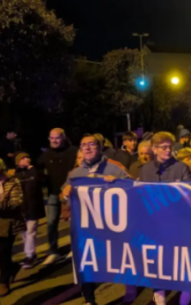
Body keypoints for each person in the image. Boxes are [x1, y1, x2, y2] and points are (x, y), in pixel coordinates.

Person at [59, 134, 132, 305]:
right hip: (86, 228)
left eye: (92, 144)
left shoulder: (114, 168)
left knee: (121, 260)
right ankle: (89, 300)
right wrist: (65, 194)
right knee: (86, 262)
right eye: (84, 145)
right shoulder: (75, 174)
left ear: (99, 148)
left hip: (113, 226)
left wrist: (117, 182)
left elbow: (132, 187)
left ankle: (130, 291)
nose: (87, 148)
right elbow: (64, 197)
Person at [139, 132, 191, 305]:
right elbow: (138, 195)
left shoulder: (182, 167)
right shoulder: (146, 170)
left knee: (181, 258)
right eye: (164, 147)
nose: (168, 150)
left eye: (170, 146)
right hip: (155, 225)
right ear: (154, 149)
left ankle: (186, 289)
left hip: (179, 224)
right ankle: (159, 292)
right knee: (158, 260)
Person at [37, 128, 78, 266]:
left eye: (57, 138)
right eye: (52, 138)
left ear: (63, 137)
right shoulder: (46, 154)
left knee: (73, 223)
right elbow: (37, 168)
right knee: (51, 223)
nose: (54, 141)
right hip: (53, 192)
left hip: (70, 192)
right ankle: (53, 251)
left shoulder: (73, 151)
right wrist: (43, 180)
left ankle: (74, 248)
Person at [13, 153, 44, 269]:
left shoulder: (34, 171)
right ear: (18, 161)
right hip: (21, 207)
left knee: (31, 231)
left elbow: (40, 181)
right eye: (23, 158)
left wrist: (33, 170)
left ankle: (30, 255)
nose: (27, 159)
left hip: (32, 206)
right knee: (24, 232)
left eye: (28, 157)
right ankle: (30, 254)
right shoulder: (16, 174)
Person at [0, 170, 24, 297]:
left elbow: (17, 202)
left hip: (7, 224)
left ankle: (3, 282)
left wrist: (1, 204)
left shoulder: (12, 182)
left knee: (3, 252)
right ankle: (11, 268)